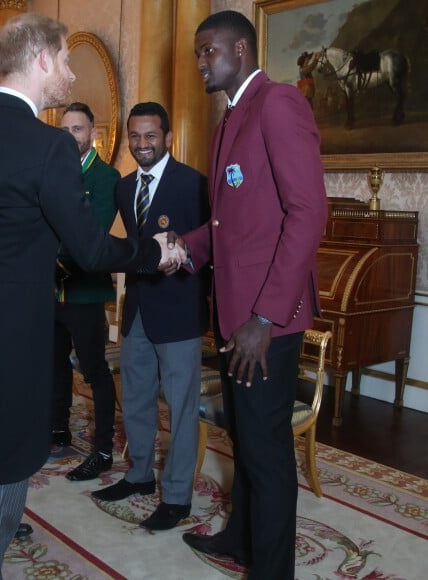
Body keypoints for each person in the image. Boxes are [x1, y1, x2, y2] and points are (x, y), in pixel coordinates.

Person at [0, 14, 178, 579]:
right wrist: (154, 252)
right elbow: (94, 252)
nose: (71, 73)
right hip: (8, 341)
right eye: (66, 59)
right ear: (42, 60)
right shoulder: (49, 144)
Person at [166, 11, 327, 579]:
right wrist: (179, 249)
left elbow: (308, 215)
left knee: (267, 452)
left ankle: (272, 568)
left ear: (241, 47)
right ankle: (242, 536)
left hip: (266, 324)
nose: (202, 62)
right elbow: (226, 226)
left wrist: (264, 316)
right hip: (235, 317)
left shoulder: (279, 104)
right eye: (197, 53)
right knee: (246, 438)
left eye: (209, 51)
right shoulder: (230, 121)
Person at [92, 102, 209, 531]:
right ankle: (140, 474)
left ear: (168, 137)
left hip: (179, 312)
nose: (142, 144)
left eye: (151, 136)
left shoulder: (194, 185)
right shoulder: (124, 188)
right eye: (135, 137)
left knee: (180, 410)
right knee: (136, 398)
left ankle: (177, 497)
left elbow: (211, 247)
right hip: (138, 308)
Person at [51, 101, 120, 481]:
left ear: (93, 133)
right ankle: (58, 431)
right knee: (53, 364)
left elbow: (92, 234)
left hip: (85, 292)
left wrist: (54, 246)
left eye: (77, 129)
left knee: (95, 370)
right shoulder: (51, 173)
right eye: (66, 130)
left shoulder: (106, 177)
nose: (71, 136)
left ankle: (103, 449)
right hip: (52, 291)